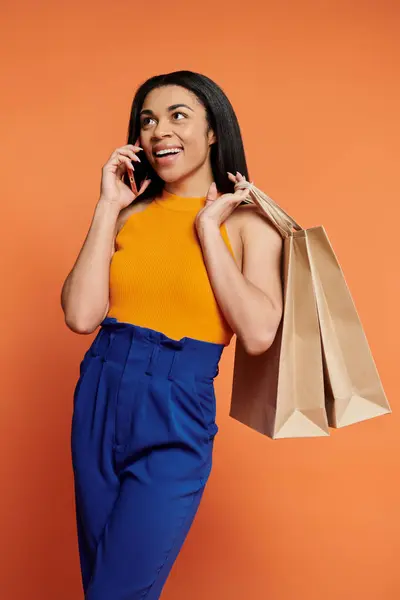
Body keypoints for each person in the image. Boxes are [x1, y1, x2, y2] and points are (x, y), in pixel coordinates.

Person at [61, 70, 283, 599]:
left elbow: (257, 333)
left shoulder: (250, 225)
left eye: (178, 116)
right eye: (147, 120)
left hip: (175, 405)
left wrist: (208, 229)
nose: (159, 130)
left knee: (116, 592)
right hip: (99, 391)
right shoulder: (126, 216)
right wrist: (106, 207)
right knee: (101, 585)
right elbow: (79, 315)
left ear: (213, 132)